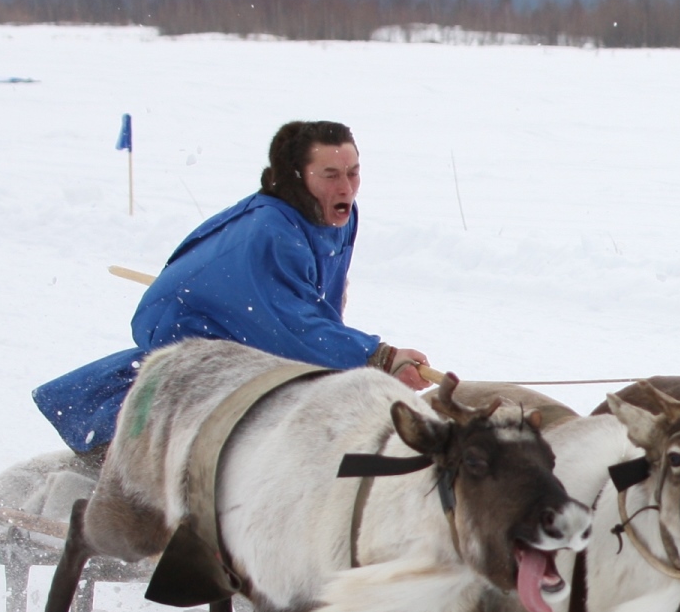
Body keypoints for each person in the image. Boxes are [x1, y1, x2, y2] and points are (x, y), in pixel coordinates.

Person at [32, 118, 432, 453]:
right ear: (298, 176)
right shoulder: (270, 232)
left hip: (251, 333)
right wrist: (377, 357)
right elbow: (291, 327)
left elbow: (312, 310)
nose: (345, 187)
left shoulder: (338, 216)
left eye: (353, 172)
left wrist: (341, 351)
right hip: (192, 339)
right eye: (330, 175)